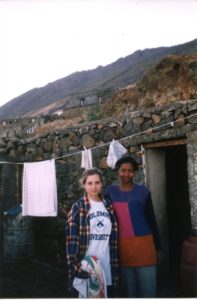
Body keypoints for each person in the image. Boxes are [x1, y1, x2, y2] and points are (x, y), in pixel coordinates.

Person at [105, 154, 161, 298]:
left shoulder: (143, 192)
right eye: (123, 170)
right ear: (118, 171)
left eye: (130, 171)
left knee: (148, 289)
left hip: (144, 246)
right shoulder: (110, 193)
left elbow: (151, 220)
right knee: (128, 291)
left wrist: (158, 247)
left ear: (135, 172)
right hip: (122, 247)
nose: (126, 174)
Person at [66, 168, 119, 298]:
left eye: (97, 182)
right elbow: (71, 239)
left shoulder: (108, 204)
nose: (94, 187)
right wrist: (75, 266)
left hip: (107, 264)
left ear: (102, 184)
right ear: (83, 185)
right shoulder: (78, 207)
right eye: (89, 183)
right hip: (86, 266)